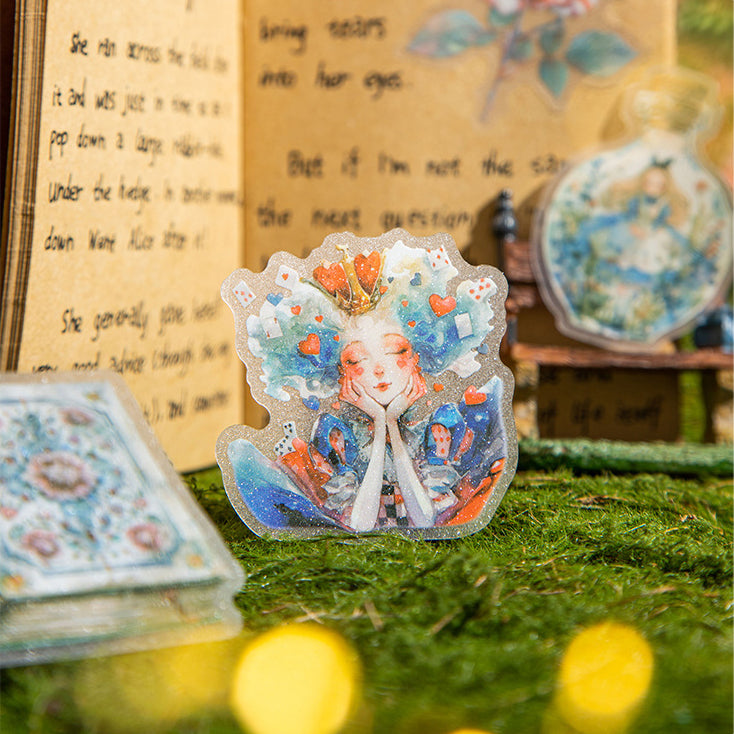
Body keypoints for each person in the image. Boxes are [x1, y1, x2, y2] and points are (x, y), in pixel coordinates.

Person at [224, 238, 508, 533]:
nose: (379, 370)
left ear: (416, 359)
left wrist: (393, 425)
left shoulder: (438, 430)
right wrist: (381, 421)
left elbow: (426, 521)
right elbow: (358, 524)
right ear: (341, 374)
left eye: (395, 351)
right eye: (357, 360)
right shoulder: (337, 437)